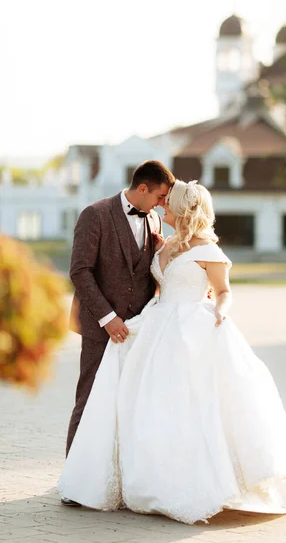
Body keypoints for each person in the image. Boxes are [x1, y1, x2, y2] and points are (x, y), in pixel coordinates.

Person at [59, 179, 286, 523]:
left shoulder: (208, 249)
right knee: (144, 401)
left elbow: (223, 291)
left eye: (169, 202)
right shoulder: (164, 244)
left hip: (193, 329)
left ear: (183, 208)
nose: (163, 205)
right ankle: (115, 473)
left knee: (193, 404)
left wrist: (222, 309)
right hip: (157, 324)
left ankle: (199, 481)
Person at [62, 160, 175, 507]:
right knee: (90, 399)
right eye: (158, 196)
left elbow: (149, 272)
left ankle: (118, 480)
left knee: (128, 404)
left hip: (138, 331)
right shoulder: (94, 215)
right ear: (142, 189)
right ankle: (73, 483)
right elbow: (79, 271)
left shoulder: (153, 219)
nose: (161, 205)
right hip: (102, 329)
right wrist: (107, 317)